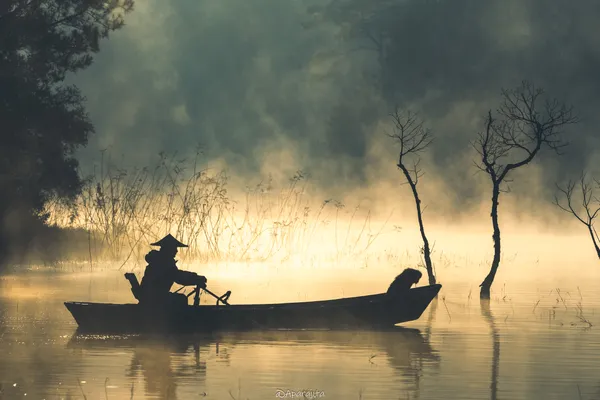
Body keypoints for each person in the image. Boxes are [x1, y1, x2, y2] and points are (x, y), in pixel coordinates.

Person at [139, 234, 207, 306]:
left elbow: (177, 275)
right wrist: (196, 279)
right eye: (174, 248)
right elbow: (178, 277)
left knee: (180, 298)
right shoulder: (163, 262)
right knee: (181, 299)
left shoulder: (158, 260)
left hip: (149, 296)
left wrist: (195, 279)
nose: (176, 251)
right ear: (168, 249)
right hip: (154, 297)